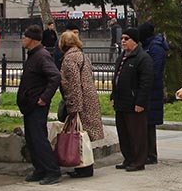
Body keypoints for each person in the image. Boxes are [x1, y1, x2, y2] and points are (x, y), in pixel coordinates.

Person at [16, 24, 62, 185]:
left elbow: (55, 76)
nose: (23, 39)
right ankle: (40, 169)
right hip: (29, 105)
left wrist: (44, 98)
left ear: (33, 40)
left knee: (39, 138)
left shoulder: (42, 56)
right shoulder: (33, 55)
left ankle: (52, 170)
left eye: (25, 37)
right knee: (31, 139)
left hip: (37, 105)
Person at [58, 29, 103, 178]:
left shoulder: (69, 59)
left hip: (81, 101)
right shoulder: (83, 56)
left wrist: (73, 106)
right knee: (85, 135)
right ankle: (85, 166)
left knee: (78, 134)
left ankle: (83, 166)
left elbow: (74, 84)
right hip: (89, 98)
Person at [111, 27, 153, 171]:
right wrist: (113, 96)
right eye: (122, 38)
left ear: (134, 41)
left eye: (126, 39)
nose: (123, 41)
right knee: (123, 133)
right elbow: (116, 78)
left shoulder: (143, 58)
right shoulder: (122, 56)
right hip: (121, 102)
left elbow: (146, 83)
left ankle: (138, 160)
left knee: (137, 133)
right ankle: (128, 158)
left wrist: (140, 102)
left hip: (134, 103)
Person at [139, 21, 170, 164]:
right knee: (146, 123)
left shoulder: (155, 48)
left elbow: (155, 70)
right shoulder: (149, 46)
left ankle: (151, 154)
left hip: (152, 89)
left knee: (149, 122)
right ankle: (147, 152)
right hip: (151, 88)